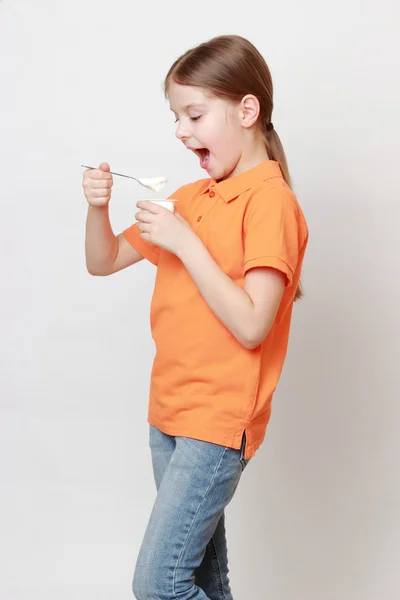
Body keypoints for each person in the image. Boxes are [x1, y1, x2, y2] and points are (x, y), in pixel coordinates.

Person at [83, 34, 309, 600]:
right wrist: (96, 207)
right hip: (169, 410)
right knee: (203, 579)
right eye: (176, 117)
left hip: (217, 419)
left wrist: (185, 245)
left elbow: (255, 323)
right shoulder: (192, 197)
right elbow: (103, 260)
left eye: (195, 114)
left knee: (158, 584)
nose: (181, 131)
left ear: (247, 110)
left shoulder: (270, 202)